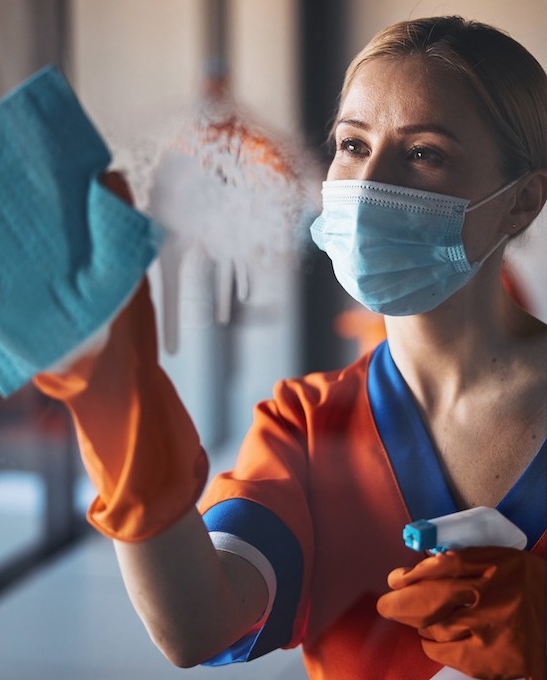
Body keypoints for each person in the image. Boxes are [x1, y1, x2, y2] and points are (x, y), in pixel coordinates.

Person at [34, 16, 547, 680]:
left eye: (425, 153)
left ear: (523, 202)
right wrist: (117, 410)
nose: (367, 184)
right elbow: (199, 623)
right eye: (353, 145)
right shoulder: (305, 429)